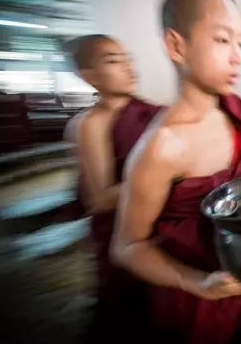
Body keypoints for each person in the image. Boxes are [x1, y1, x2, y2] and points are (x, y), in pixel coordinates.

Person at [111, 0, 241, 343]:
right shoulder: (162, 147)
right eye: (222, 40)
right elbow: (126, 247)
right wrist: (198, 283)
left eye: (240, 43)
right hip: (201, 310)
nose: (237, 56)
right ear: (176, 46)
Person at [63, 34, 163, 340]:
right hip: (122, 240)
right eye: (112, 60)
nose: (128, 67)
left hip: (163, 233)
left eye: (127, 58)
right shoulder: (90, 124)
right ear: (88, 76)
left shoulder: (155, 113)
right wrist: (164, 175)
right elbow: (101, 199)